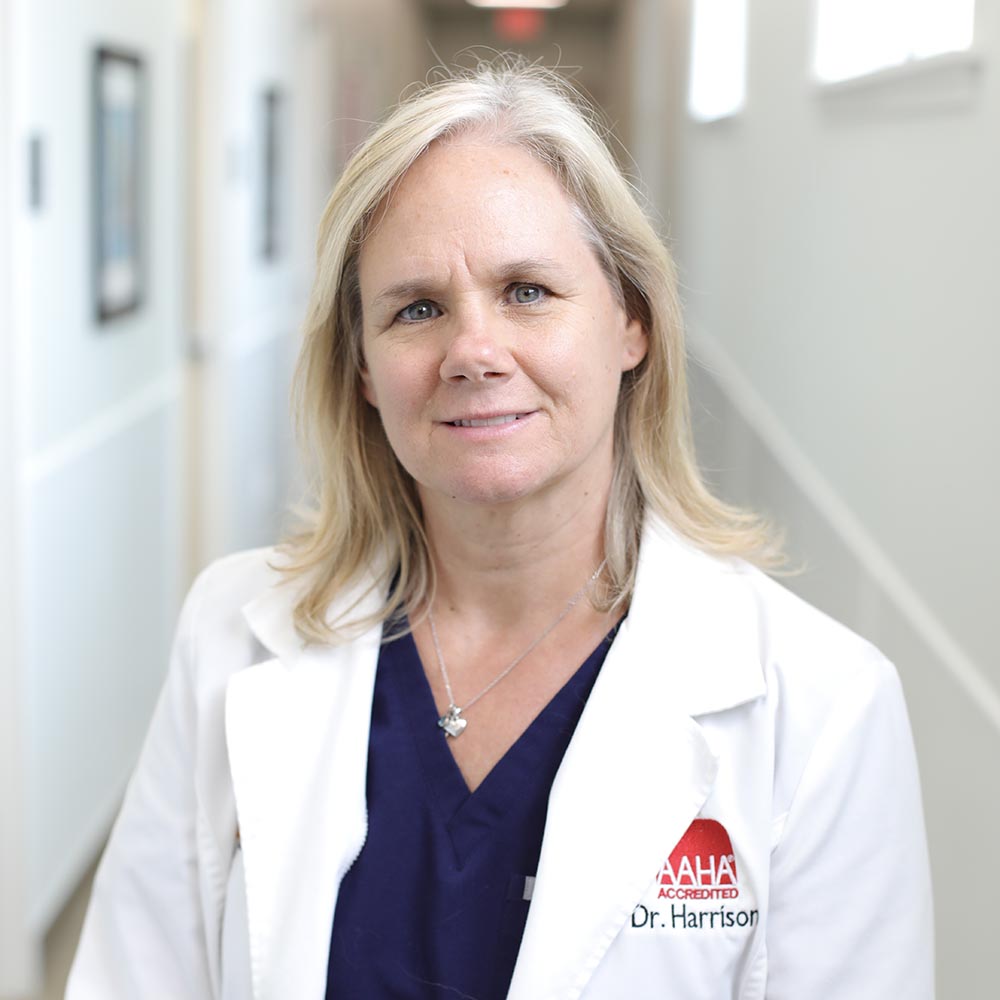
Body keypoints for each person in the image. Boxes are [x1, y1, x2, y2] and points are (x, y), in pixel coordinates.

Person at [66, 60, 933, 999]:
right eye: (418, 309)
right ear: (362, 369)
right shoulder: (228, 634)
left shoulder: (821, 707)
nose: (473, 353)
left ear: (631, 324)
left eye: (526, 291)